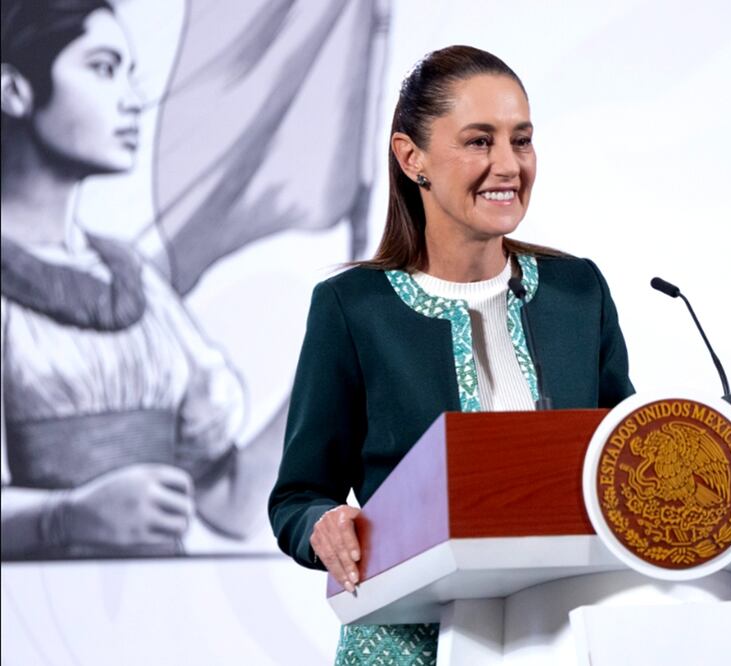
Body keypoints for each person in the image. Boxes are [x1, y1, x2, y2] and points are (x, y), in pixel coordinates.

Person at [268, 45, 635, 665]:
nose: (507, 165)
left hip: (561, 637)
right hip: (410, 641)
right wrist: (324, 525)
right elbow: (298, 496)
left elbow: (626, 458)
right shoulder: (352, 308)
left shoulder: (578, 293)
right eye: (478, 141)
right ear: (412, 158)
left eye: (521, 140)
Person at [0, 0, 273, 560]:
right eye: (102, 69)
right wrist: (65, 517)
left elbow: (230, 501)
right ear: (14, 91)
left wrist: (339, 357)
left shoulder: (136, 280)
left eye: (130, 75)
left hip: (152, 621)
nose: (131, 100)